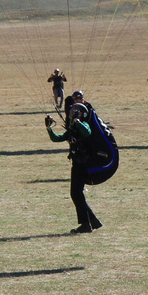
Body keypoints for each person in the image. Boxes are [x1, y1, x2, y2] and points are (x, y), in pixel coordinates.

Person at [46, 90, 102, 234]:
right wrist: (49, 128)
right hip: (76, 163)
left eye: (74, 111)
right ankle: (92, 221)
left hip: (84, 164)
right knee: (76, 193)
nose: (71, 113)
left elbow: (87, 132)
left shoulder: (82, 125)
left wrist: (77, 121)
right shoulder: (72, 129)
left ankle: (86, 224)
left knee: (76, 193)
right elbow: (56, 138)